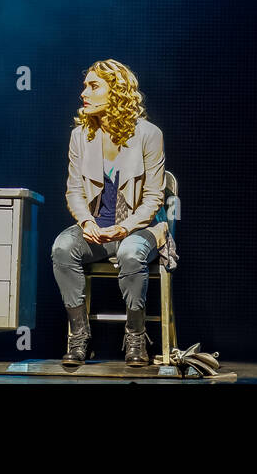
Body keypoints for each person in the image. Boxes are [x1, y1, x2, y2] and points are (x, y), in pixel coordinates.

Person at [50, 59, 175, 367]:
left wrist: (123, 228)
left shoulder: (149, 134)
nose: (84, 92)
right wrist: (86, 221)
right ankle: (79, 337)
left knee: (132, 252)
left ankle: (135, 336)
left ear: (116, 92)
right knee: (62, 247)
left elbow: (154, 198)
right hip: (98, 228)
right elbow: (74, 191)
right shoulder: (81, 136)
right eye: (85, 85)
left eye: (93, 86)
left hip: (139, 229)